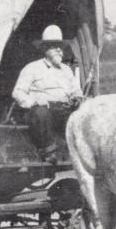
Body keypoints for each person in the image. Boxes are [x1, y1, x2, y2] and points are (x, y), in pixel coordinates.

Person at [12, 24, 84, 163]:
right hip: (41, 112)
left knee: (79, 116)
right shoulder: (32, 68)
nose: (59, 49)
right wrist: (33, 102)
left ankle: (81, 152)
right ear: (44, 49)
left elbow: (76, 90)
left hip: (63, 110)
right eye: (53, 46)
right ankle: (48, 152)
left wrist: (77, 98)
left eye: (60, 46)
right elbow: (18, 93)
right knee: (41, 113)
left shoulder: (67, 70)